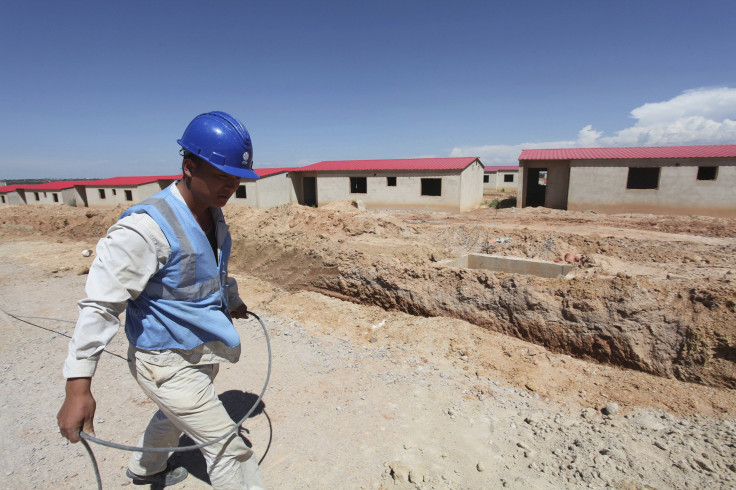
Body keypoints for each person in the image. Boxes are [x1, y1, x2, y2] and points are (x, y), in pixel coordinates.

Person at [57, 111, 265, 489]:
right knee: (228, 450)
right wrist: (78, 389)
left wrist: (232, 300)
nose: (232, 186)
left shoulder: (212, 214)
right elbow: (101, 306)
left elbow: (210, 271)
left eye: (238, 177)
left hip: (198, 349)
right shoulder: (145, 229)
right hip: (164, 361)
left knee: (172, 418)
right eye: (223, 175)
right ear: (189, 166)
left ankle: (146, 468)